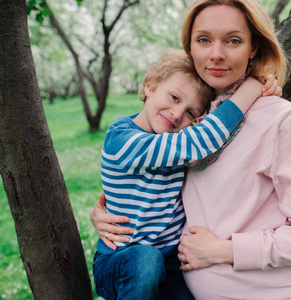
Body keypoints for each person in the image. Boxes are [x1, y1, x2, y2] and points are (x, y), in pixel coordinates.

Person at [91, 0, 291, 299]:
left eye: (233, 40)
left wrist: (225, 251)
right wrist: (107, 213)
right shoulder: (189, 121)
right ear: (190, 48)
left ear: (253, 48)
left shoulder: (282, 120)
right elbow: (152, 177)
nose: (216, 55)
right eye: (204, 40)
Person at [93, 48, 266, 300]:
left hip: (169, 261)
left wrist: (267, 82)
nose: (176, 114)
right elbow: (200, 140)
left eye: (191, 113)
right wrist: (250, 88)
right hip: (120, 260)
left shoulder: (175, 144)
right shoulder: (120, 139)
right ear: (150, 85)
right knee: (145, 259)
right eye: (174, 97)